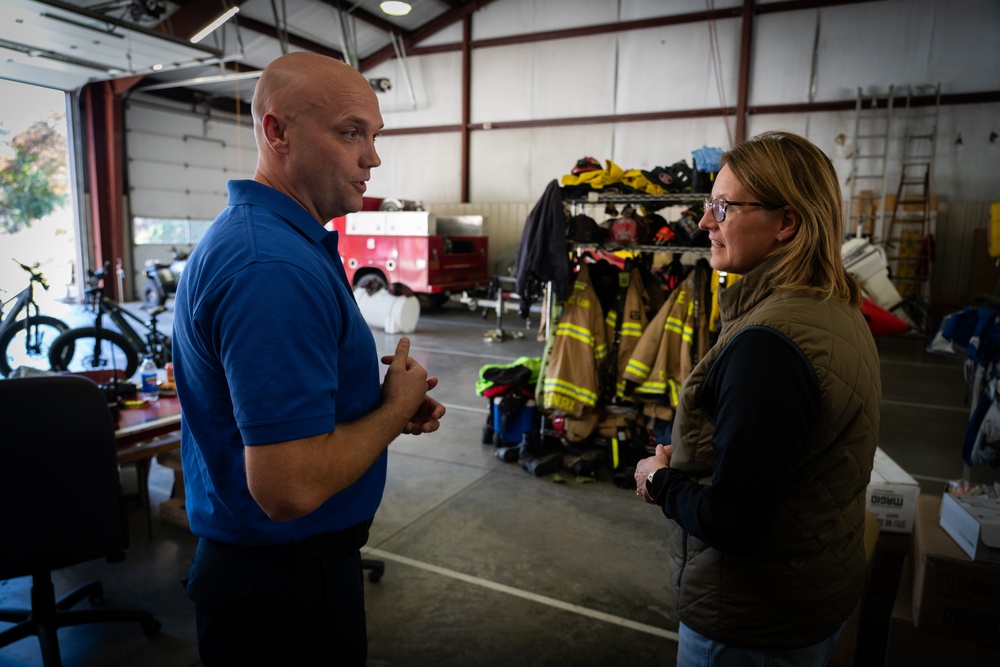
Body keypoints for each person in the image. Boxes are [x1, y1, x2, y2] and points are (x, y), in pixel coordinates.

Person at [171, 52, 446, 666]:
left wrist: (377, 408)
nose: (372, 157)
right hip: (282, 591)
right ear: (277, 132)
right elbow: (287, 488)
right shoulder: (269, 267)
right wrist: (391, 410)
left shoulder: (283, 241)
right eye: (351, 132)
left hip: (281, 577)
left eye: (374, 136)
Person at [634, 131, 880, 666]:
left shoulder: (771, 343)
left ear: (786, 223)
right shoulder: (834, 311)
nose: (704, 222)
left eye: (722, 207)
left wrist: (659, 480)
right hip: (803, 599)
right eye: (707, 205)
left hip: (748, 625)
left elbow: (735, 523)